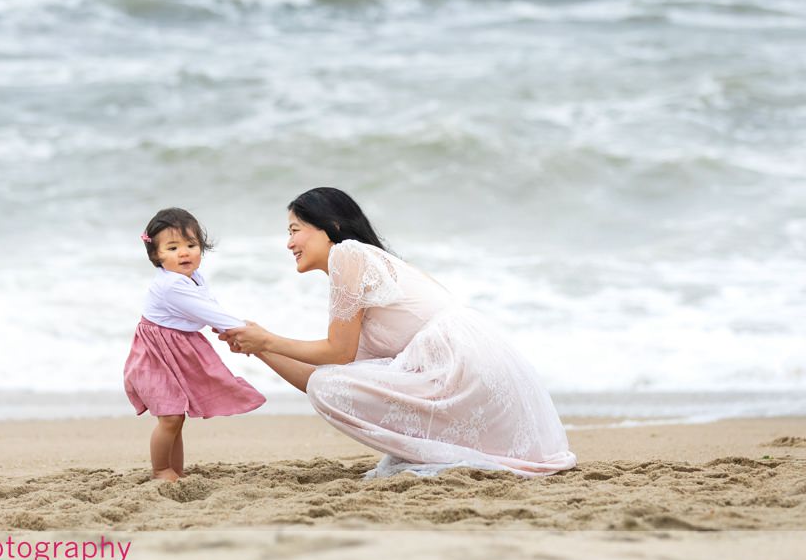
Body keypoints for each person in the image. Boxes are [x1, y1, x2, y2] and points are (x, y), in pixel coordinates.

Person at [220, 188, 576, 478]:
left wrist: (267, 338)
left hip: (463, 368)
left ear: (330, 225)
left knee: (328, 386)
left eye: (295, 230)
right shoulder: (365, 271)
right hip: (472, 371)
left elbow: (337, 356)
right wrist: (259, 347)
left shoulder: (348, 255)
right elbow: (325, 376)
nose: (289, 243)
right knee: (327, 385)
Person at [124, 207, 265, 481]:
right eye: (173, 247)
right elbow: (208, 312)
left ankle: (175, 470)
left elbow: (208, 306)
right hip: (156, 354)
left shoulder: (194, 278)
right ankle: (161, 469)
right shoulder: (170, 285)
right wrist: (241, 330)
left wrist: (228, 328)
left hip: (178, 348)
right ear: (156, 255)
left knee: (177, 417)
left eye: (191, 245)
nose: (185, 252)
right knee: (170, 417)